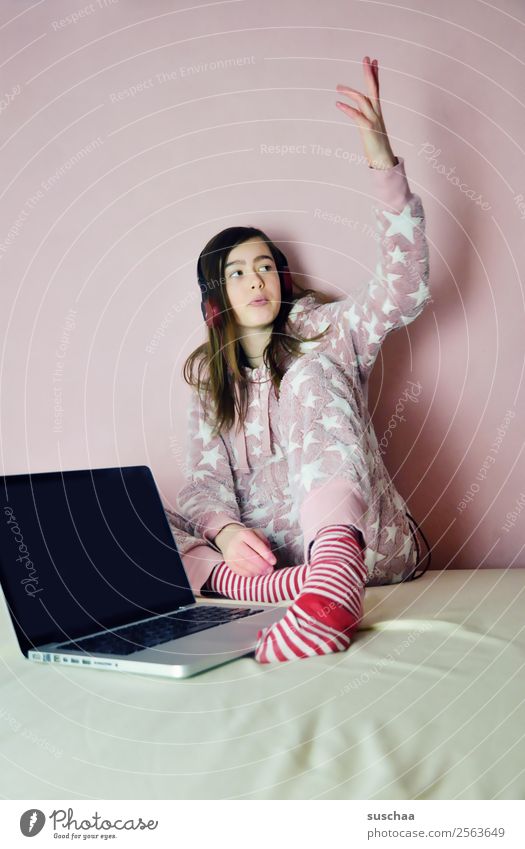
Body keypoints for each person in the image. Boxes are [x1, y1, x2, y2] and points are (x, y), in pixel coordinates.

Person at [169, 56, 431, 664]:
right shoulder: (213, 384)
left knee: (311, 372)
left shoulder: (326, 334)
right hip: (275, 561)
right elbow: (206, 484)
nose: (255, 278)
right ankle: (275, 591)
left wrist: (380, 158)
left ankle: (333, 583)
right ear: (217, 297)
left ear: (281, 281)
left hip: (366, 546)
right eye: (236, 271)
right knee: (131, 513)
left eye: (265, 265)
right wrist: (227, 533)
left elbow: (404, 288)